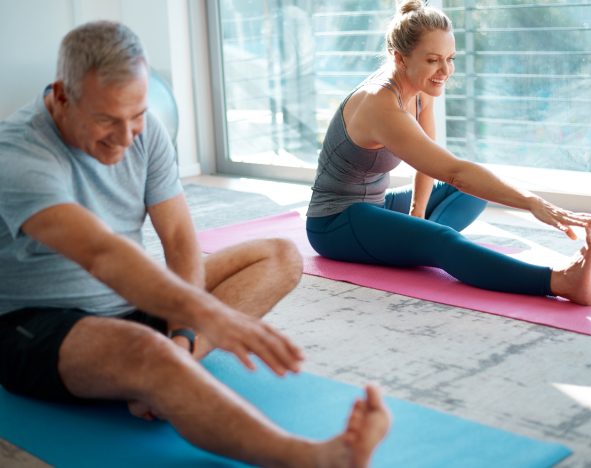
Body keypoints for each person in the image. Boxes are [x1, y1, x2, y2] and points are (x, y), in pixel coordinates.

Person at [0, 21, 389, 467]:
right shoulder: (19, 155)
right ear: (62, 96)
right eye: (107, 120)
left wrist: (184, 333)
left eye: (137, 116)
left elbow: (180, 238)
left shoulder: (145, 132)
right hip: (38, 325)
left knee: (279, 256)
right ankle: (316, 459)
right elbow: (100, 253)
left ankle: (173, 363)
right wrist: (210, 314)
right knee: (149, 350)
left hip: (134, 299)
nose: (127, 138)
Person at [306, 0, 591, 306]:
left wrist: (417, 214)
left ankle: (420, 240)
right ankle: (560, 281)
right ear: (400, 58)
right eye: (434, 60)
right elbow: (453, 171)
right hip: (335, 223)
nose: (445, 70)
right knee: (442, 239)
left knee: (473, 191)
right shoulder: (379, 103)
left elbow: (432, 162)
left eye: (450, 58)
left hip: (377, 205)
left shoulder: (419, 87)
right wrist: (532, 203)